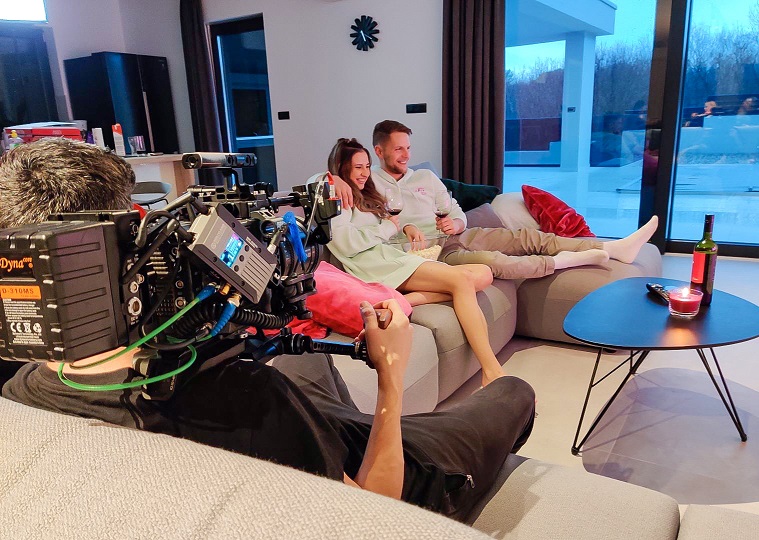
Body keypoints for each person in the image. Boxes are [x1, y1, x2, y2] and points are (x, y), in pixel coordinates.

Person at [0, 138, 536, 522]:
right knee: (515, 392)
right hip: (399, 474)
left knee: (306, 359)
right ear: (116, 249)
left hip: (311, 427)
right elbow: (371, 513)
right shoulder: (246, 399)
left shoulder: (19, 393)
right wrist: (390, 377)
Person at [331, 120, 658, 280]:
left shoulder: (425, 178)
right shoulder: (368, 180)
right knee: (497, 261)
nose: (406, 155)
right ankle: (575, 259)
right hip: (433, 254)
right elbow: (323, 178)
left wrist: (455, 221)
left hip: (457, 235)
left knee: (527, 238)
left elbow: (456, 210)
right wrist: (332, 178)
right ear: (379, 151)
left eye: (408, 148)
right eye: (398, 149)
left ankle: (613, 247)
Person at [326, 137, 505, 387]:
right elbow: (346, 243)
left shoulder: (364, 193)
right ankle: (491, 371)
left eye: (367, 166)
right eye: (358, 167)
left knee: (484, 273)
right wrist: (330, 179)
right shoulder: (336, 197)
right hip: (373, 266)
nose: (365, 173)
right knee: (462, 280)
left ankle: (402, 300)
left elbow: (383, 228)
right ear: (341, 167)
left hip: (390, 257)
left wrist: (404, 226)